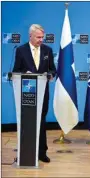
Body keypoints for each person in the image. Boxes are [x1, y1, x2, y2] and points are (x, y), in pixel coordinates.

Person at [13, 24, 56, 163]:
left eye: (42, 37)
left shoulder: (47, 50)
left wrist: (49, 74)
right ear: (30, 36)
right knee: (27, 122)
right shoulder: (20, 50)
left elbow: (53, 70)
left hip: (43, 92)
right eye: (38, 37)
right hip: (27, 93)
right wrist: (25, 74)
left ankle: (42, 152)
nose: (41, 40)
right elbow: (16, 70)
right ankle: (26, 151)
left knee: (41, 122)